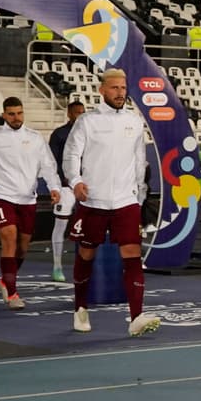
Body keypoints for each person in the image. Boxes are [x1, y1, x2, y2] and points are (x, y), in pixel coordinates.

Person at [63, 69, 161, 337]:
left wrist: (139, 197)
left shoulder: (134, 121)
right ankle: (80, 308)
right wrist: (75, 181)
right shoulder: (87, 121)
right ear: (102, 90)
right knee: (86, 254)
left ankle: (136, 316)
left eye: (123, 88)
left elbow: (140, 162)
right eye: (115, 88)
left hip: (126, 202)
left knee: (132, 255)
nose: (121, 93)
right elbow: (71, 155)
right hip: (92, 200)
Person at [0, 97, 62, 310]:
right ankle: (11, 290)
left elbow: (48, 166)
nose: (16, 117)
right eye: (11, 114)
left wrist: (54, 187)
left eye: (19, 113)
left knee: (23, 247)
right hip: (2, 196)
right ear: (4, 115)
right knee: (9, 237)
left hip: (28, 198)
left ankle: (6, 280)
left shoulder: (35, 138)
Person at [48, 100, 85, 281]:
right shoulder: (59, 134)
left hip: (85, 184)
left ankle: (88, 266)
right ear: (69, 114)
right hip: (65, 186)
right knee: (61, 223)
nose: (80, 115)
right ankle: (57, 266)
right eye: (77, 112)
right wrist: (58, 185)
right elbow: (53, 162)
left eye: (82, 112)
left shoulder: (89, 132)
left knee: (89, 225)